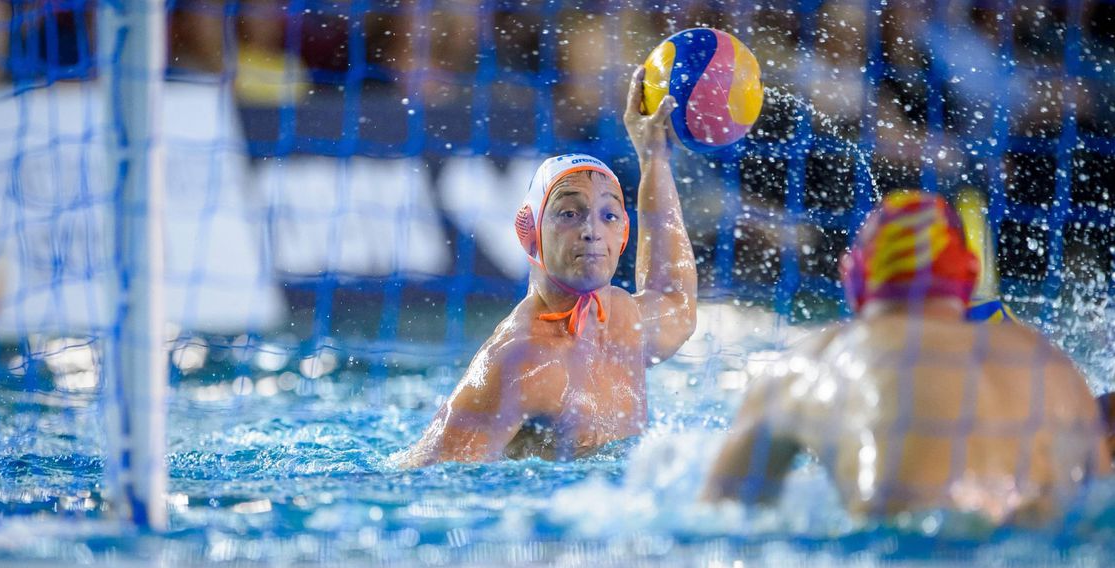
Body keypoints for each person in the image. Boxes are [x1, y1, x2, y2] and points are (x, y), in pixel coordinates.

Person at [702, 191, 1110, 525]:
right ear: (967, 276)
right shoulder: (1049, 364)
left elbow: (720, 517)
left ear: (854, 279)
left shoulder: (808, 362)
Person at [392, 68, 697, 467]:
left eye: (608, 216)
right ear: (528, 233)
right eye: (569, 213)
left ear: (623, 235)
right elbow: (420, 479)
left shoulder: (626, 321)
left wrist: (653, 159)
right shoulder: (520, 362)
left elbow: (675, 298)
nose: (591, 231)